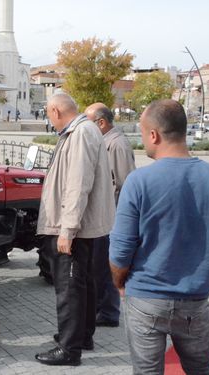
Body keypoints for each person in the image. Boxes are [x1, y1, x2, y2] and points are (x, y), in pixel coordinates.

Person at [110, 99, 209, 375]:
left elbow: (120, 250)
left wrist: (120, 282)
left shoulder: (138, 182)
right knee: (201, 370)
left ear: (153, 135)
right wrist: (206, 273)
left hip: (146, 297)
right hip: (195, 299)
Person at [35, 92, 115, 366]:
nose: (49, 120)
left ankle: (69, 349)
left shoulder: (80, 133)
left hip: (73, 227)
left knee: (69, 288)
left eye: (48, 114)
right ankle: (81, 336)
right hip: (82, 226)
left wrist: (67, 230)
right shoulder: (83, 131)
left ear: (56, 111)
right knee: (83, 283)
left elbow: (77, 184)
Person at [84, 102, 135, 328]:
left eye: (89, 122)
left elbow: (126, 184)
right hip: (104, 215)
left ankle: (109, 313)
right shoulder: (106, 142)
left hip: (111, 217)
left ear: (101, 123)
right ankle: (102, 309)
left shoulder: (117, 145)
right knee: (98, 267)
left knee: (105, 268)